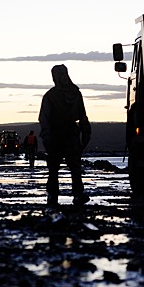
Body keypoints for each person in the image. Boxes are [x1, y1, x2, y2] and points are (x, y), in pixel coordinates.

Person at [39, 64, 91, 206]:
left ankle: (78, 194)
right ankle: (52, 195)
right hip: (56, 135)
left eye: (64, 74)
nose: (63, 78)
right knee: (54, 168)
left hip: (71, 133)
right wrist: (46, 135)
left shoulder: (75, 93)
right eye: (60, 75)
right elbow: (44, 118)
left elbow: (82, 114)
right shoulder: (50, 96)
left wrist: (86, 131)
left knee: (75, 167)